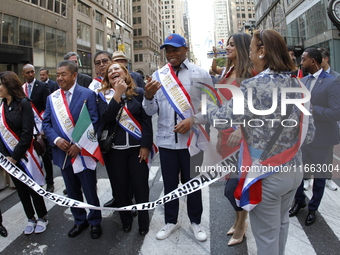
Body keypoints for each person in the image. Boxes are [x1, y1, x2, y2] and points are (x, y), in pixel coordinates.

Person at [206, 29, 315, 254]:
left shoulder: (252, 86)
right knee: (281, 225)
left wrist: (208, 106)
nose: (250, 53)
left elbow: (221, 120)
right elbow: (310, 134)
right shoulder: (299, 85)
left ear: (263, 51)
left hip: (266, 174)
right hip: (294, 170)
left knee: (265, 236)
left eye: (251, 49)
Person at [143, 33, 211, 242]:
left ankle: (196, 221)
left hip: (193, 141)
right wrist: (148, 96)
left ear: (185, 50)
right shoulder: (159, 75)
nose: (171, 54)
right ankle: (171, 221)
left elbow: (212, 108)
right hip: (166, 141)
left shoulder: (200, 73)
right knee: (169, 185)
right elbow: (149, 111)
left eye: (175, 49)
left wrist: (192, 121)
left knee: (193, 184)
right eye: (168, 50)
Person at [42, 60, 102, 239]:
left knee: (90, 190)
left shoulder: (88, 94)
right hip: (63, 153)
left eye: (63, 74)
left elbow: (94, 121)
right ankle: (79, 221)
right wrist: (57, 139)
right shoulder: (52, 98)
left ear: (74, 75)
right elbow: (46, 123)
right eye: (57, 74)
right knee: (72, 191)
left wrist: (79, 145)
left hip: (82, 153)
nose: (59, 78)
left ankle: (95, 222)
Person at [97, 63, 152, 236]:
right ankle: (126, 221)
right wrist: (117, 94)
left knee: (141, 188)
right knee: (120, 189)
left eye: (117, 69)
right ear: (107, 78)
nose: (113, 72)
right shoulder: (102, 96)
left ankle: (144, 223)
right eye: (110, 71)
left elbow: (146, 122)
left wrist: (145, 146)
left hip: (137, 151)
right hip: (115, 152)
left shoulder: (139, 93)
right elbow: (107, 117)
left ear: (125, 73)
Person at [289, 48, 340, 225]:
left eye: (303, 59)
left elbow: (336, 112)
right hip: (302, 137)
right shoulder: (301, 81)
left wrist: (312, 110)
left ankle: (313, 209)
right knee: (298, 174)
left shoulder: (332, 82)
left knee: (319, 177)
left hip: (322, 139)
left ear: (313, 61)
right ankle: (299, 201)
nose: (300, 62)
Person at [215, 33, 253, 246]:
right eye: (226, 44)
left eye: (231, 44)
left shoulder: (250, 73)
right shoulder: (228, 70)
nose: (227, 48)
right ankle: (238, 219)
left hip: (242, 140)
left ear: (242, 47)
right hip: (226, 137)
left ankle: (242, 223)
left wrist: (242, 128)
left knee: (233, 188)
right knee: (231, 184)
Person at [0, 71, 48, 235]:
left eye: (1, 84)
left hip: (26, 155)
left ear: (9, 85)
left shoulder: (24, 103)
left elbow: (27, 133)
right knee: (21, 190)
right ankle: (30, 218)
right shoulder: (2, 106)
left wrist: (15, 156)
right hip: (9, 157)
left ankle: (42, 217)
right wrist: (6, 156)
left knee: (33, 188)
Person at [22, 64, 54, 193]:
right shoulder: (22, 88)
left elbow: (48, 106)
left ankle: (50, 182)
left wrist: (44, 127)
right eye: (27, 73)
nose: (30, 74)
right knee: (32, 155)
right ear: (23, 74)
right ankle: (36, 179)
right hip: (29, 127)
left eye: (32, 72)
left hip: (41, 126)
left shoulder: (42, 86)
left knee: (45, 155)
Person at [317, 47, 340, 191]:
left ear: (326, 59)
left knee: (328, 151)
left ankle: (328, 178)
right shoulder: (313, 75)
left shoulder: (336, 77)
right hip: (315, 119)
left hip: (330, 119)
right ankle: (308, 178)